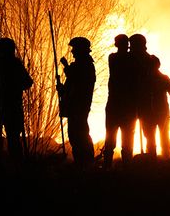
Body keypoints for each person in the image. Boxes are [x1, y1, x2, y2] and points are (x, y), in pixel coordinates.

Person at [58, 36, 96, 165]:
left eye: (74, 49)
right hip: (74, 106)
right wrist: (62, 89)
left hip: (79, 106)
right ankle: (81, 162)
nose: (72, 51)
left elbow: (78, 82)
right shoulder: (80, 66)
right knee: (75, 135)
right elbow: (71, 85)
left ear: (81, 50)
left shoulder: (86, 66)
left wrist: (66, 67)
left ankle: (85, 162)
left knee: (79, 134)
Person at [102, 34, 136, 166]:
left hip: (114, 103)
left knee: (110, 135)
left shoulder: (113, 58)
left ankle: (107, 166)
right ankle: (127, 166)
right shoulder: (131, 59)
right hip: (128, 105)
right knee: (127, 137)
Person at [0, 37, 33, 159]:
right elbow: (28, 82)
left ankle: (15, 164)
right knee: (12, 137)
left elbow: (28, 82)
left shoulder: (1, 65)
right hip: (9, 105)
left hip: (9, 105)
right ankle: (15, 163)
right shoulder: (12, 64)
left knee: (12, 136)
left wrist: (13, 86)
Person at [129, 33, 158, 156]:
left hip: (143, 100)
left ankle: (151, 156)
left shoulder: (149, 60)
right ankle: (149, 157)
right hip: (135, 100)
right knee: (131, 131)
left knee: (148, 131)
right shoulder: (147, 59)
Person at [149, 56, 170, 159]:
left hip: (149, 111)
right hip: (162, 110)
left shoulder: (144, 78)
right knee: (164, 134)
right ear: (158, 65)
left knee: (150, 135)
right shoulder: (163, 78)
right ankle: (166, 155)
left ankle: (151, 156)